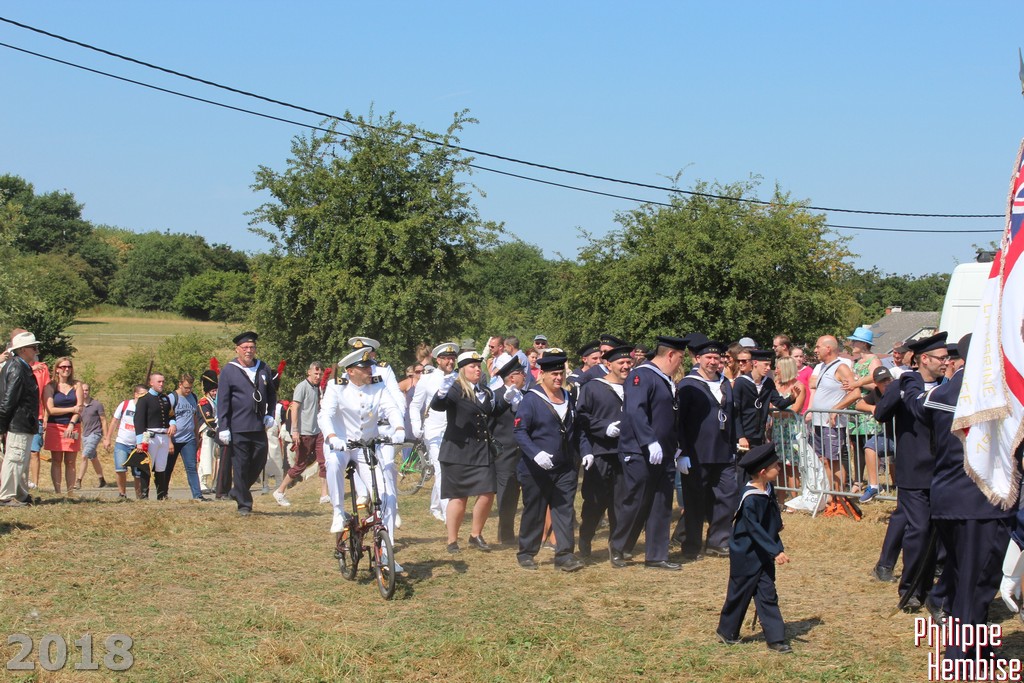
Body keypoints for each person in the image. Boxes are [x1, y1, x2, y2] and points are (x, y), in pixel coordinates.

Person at [319, 348, 405, 569]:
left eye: (370, 367)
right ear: (350, 371)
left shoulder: (377, 385)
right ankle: (338, 510)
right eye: (364, 368)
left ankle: (385, 553)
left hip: (365, 446)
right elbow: (325, 415)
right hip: (341, 443)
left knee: (386, 497)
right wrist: (331, 437)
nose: (370, 370)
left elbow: (392, 408)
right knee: (334, 463)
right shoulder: (336, 386)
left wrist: (398, 428)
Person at [610, 336, 687, 570]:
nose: (681, 363)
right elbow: (636, 411)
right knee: (636, 501)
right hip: (640, 451)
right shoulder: (641, 375)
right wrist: (649, 441)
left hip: (665, 452)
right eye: (680, 357)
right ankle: (619, 546)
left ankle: (656, 555)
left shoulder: (665, 379)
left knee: (661, 503)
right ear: (670, 355)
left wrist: (678, 446)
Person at [716, 443, 792, 654]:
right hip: (746, 554)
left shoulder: (767, 489)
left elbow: (771, 513)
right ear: (763, 472)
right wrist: (775, 551)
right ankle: (727, 631)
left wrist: (777, 525)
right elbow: (754, 529)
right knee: (739, 593)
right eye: (776, 466)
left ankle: (775, 638)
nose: (779, 469)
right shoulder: (750, 498)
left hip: (763, 553)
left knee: (768, 593)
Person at [513, 352, 584, 572]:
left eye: (561, 373)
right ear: (542, 374)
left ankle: (564, 555)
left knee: (564, 509)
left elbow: (576, 430)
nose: (558, 377)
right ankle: (527, 552)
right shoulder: (531, 399)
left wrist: (585, 452)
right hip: (536, 469)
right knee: (535, 510)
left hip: (565, 467)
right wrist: (535, 454)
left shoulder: (568, 397)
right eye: (554, 374)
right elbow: (520, 431)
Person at [431, 351, 507, 553]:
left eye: (478, 366)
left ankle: (475, 534)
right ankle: (452, 540)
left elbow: (492, 413)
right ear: (462, 370)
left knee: (488, 492)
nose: (477, 370)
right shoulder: (455, 388)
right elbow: (438, 406)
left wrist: (506, 399)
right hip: (458, 451)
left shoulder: (485, 391)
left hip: (481, 450)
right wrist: (441, 393)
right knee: (458, 497)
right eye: (472, 366)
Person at [677, 338, 738, 560]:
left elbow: (731, 416)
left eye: (716, 357)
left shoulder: (725, 382)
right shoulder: (687, 385)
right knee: (695, 500)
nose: (713, 361)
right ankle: (691, 545)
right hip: (697, 453)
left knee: (727, 495)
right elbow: (679, 422)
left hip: (723, 451)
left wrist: (734, 444)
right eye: (708, 357)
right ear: (698, 358)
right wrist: (682, 452)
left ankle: (718, 541)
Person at [576, 345, 633, 558]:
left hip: (626, 453)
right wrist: (603, 427)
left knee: (621, 503)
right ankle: (585, 538)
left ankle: (616, 549)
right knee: (595, 502)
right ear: (608, 364)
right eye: (621, 363)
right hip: (601, 453)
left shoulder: (634, 387)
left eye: (628, 362)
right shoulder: (593, 388)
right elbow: (581, 417)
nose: (626, 366)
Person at [217, 331, 278, 516]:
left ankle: (238, 489)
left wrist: (270, 414)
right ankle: (244, 504)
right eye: (245, 348)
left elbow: (272, 394)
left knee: (260, 459)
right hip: (238, 426)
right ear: (237, 349)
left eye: (252, 347)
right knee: (241, 465)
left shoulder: (263, 368)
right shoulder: (229, 370)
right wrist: (223, 427)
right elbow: (223, 401)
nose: (249, 351)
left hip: (258, 425)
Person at [409, 342, 459, 522]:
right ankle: (448, 514)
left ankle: (435, 506)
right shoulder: (427, 379)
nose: (450, 362)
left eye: (453, 359)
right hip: (434, 430)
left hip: (454, 429)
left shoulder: (459, 378)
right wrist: (416, 426)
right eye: (447, 359)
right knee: (441, 468)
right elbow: (415, 405)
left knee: (450, 469)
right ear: (438, 360)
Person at [805, 336, 855, 511]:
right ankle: (831, 496)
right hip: (819, 422)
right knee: (825, 460)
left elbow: (855, 392)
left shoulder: (841, 367)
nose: (815, 350)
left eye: (817, 346)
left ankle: (840, 499)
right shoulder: (823, 367)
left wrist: (836, 408)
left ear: (828, 348)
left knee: (834, 461)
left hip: (832, 424)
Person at [274, 362, 326, 507]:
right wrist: (295, 430)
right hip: (304, 432)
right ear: (309, 372)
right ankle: (280, 491)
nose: (318, 376)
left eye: (320, 374)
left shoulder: (317, 388)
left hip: (317, 431)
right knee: (300, 465)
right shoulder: (302, 387)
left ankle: (324, 494)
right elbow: (295, 408)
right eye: (315, 373)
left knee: (324, 462)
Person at [0, 331, 41, 507]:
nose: (36, 350)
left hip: (23, 422)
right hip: (18, 421)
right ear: (23, 349)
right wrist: (2, 425)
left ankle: (21, 494)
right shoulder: (17, 368)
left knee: (22, 460)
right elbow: (9, 400)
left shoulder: (21, 366)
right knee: (15, 459)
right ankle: (5, 496)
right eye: (34, 347)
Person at [489, 356, 526, 545]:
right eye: (521, 374)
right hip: (504, 453)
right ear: (512, 377)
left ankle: (529, 533)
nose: (525, 376)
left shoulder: (527, 395)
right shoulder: (495, 396)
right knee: (507, 496)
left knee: (528, 494)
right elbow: (489, 426)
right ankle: (506, 534)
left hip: (525, 453)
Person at [732, 349, 795, 451]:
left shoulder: (768, 382)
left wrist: (792, 397)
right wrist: (740, 436)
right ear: (755, 363)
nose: (768, 368)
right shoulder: (741, 382)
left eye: (769, 365)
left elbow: (779, 403)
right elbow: (735, 411)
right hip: (744, 435)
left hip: (759, 434)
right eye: (766, 364)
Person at [43, 356, 83, 494]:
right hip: (55, 426)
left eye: (69, 366)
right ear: (57, 369)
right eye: (63, 367)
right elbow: (51, 409)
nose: (66, 369)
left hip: (73, 426)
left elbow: (80, 407)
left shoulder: (77, 385)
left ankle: (70, 492)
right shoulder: (50, 386)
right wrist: (71, 409)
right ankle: (58, 491)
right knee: (56, 460)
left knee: (71, 461)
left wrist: (72, 423)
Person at [133, 372, 177, 500]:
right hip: (150, 436)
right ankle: (144, 495)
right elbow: (139, 421)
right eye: (159, 382)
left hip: (164, 436)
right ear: (151, 383)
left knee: (161, 466)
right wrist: (140, 441)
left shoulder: (165, 398)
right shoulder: (144, 399)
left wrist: (173, 424)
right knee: (147, 466)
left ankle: (161, 495)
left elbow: (171, 415)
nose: (162, 384)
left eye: (163, 381)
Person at [165, 374, 206, 500]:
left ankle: (197, 495)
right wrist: (169, 441)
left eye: (190, 388)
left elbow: (194, 417)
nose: (188, 390)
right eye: (186, 387)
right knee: (168, 468)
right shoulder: (172, 398)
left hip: (189, 439)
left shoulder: (193, 397)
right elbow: (165, 419)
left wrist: (196, 435)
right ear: (180, 384)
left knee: (191, 467)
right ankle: (163, 494)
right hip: (173, 439)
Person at [106, 385, 148, 499]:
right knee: (120, 469)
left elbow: (148, 429)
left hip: (138, 446)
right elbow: (114, 421)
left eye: (146, 394)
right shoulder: (125, 405)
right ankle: (122, 494)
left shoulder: (147, 408)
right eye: (142, 394)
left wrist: (144, 444)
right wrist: (108, 438)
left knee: (138, 474)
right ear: (135, 394)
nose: (144, 397)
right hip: (122, 443)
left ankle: (139, 497)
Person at [74, 383, 108, 489]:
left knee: (84, 456)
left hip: (95, 434)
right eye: (83, 390)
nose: (84, 392)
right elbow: (77, 421)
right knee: (93, 457)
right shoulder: (79, 406)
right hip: (85, 435)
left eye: (86, 390)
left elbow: (103, 420)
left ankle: (78, 481)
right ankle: (102, 480)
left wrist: (106, 437)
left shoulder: (97, 405)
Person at [197, 366, 220, 495]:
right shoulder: (204, 402)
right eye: (213, 390)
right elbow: (208, 419)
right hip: (207, 432)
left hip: (214, 432)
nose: (215, 393)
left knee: (214, 458)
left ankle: (213, 483)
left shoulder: (212, 401)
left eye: (216, 390)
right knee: (205, 458)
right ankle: (202, 482)